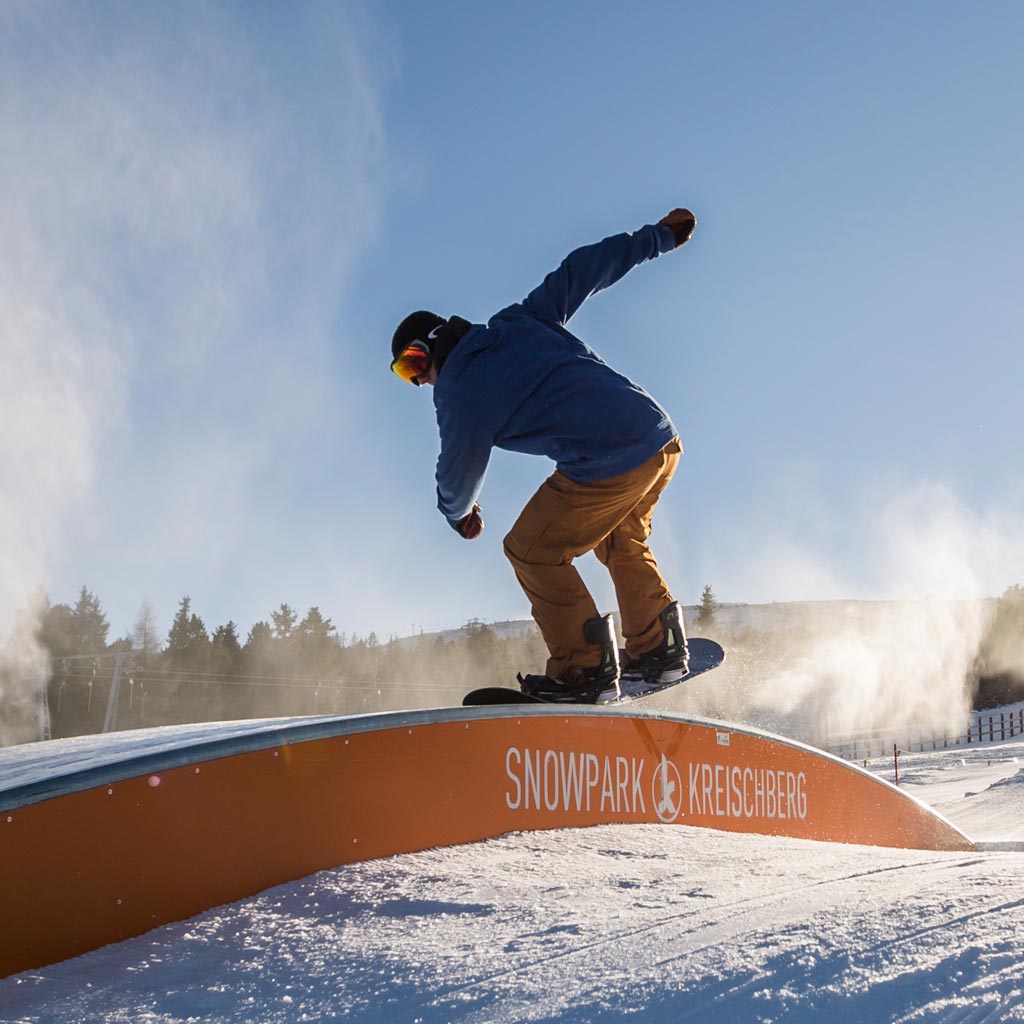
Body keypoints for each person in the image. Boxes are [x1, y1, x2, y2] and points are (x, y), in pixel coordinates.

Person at [390, 209, 697, 703]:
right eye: (406, 374)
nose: (418, 380)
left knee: (531, 549)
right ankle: (658, 646)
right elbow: (582, 269)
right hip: (657, 438)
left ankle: (585, 668)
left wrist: (460, 514)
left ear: (430, 348)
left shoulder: (458, 389)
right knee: (618, 537)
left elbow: (456, 472)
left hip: (608, 461)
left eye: (413, 365)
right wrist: (656, 238)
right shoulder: (519, 320)